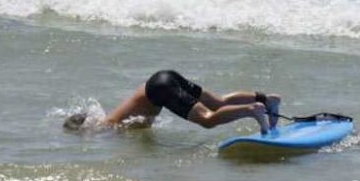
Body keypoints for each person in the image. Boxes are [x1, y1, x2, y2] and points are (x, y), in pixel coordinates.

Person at [63, 70, 281, 134]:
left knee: (207, 119)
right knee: (218, 101)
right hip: (164, 76)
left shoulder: (105, 128)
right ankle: (266, 99)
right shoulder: (109, 117)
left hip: (159, 88)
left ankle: (253, 110)